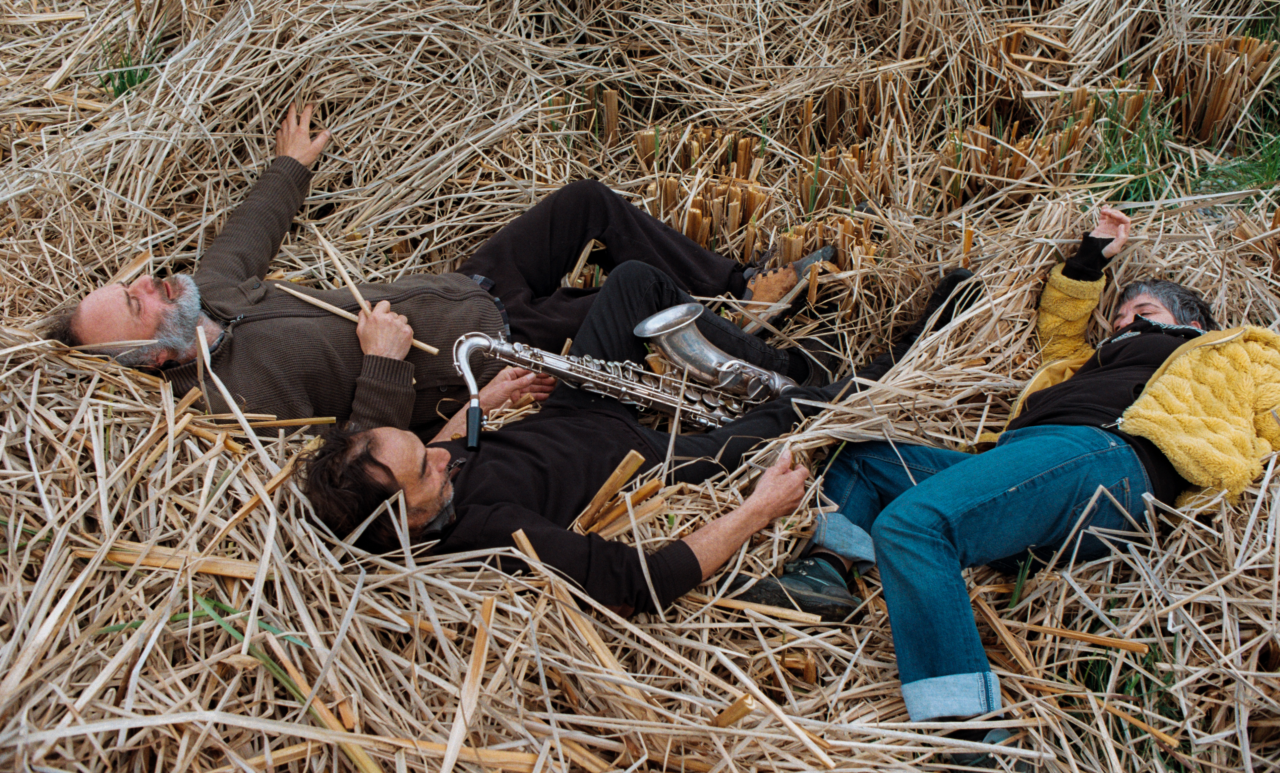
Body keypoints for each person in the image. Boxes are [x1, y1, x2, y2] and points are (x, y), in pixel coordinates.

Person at [733, 207, 1280, 756]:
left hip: (1111, 457)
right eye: (1118, 316)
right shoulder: (1089, 361)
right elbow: (1061, 326)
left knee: (914, 526)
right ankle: (828, 569)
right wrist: (1091, 256)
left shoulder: (1237, 351)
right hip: (1037, 464)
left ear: (1192, 322)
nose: (1122, 322)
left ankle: (969, 732)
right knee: (866, 458)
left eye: (1141, 310)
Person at [42, 105, 831, 442]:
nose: (152, 283)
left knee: (583, 202)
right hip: (489, 353)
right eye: (137, 304)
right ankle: (769, 361)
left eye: (135, 281)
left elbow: (250, 230)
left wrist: (290, 163)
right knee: (627, 295)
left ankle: (740, 288)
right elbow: (352, 465)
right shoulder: (234, 405)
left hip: (469, 285)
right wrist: (381, 362)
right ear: (153, 357)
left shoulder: (212, 292)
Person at [297, 254, 980, 615]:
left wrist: (476, 410)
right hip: (645, 462)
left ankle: (791, 363)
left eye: (428, 446)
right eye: (429, 468)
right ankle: (911, 353)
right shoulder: (493, 538)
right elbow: (641, 583)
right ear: (404, 528)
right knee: (792, 418)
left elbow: (421, 452)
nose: (445, 453)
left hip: (572, 415)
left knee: (631, 284)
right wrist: (756, 510)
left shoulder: (396, 488)